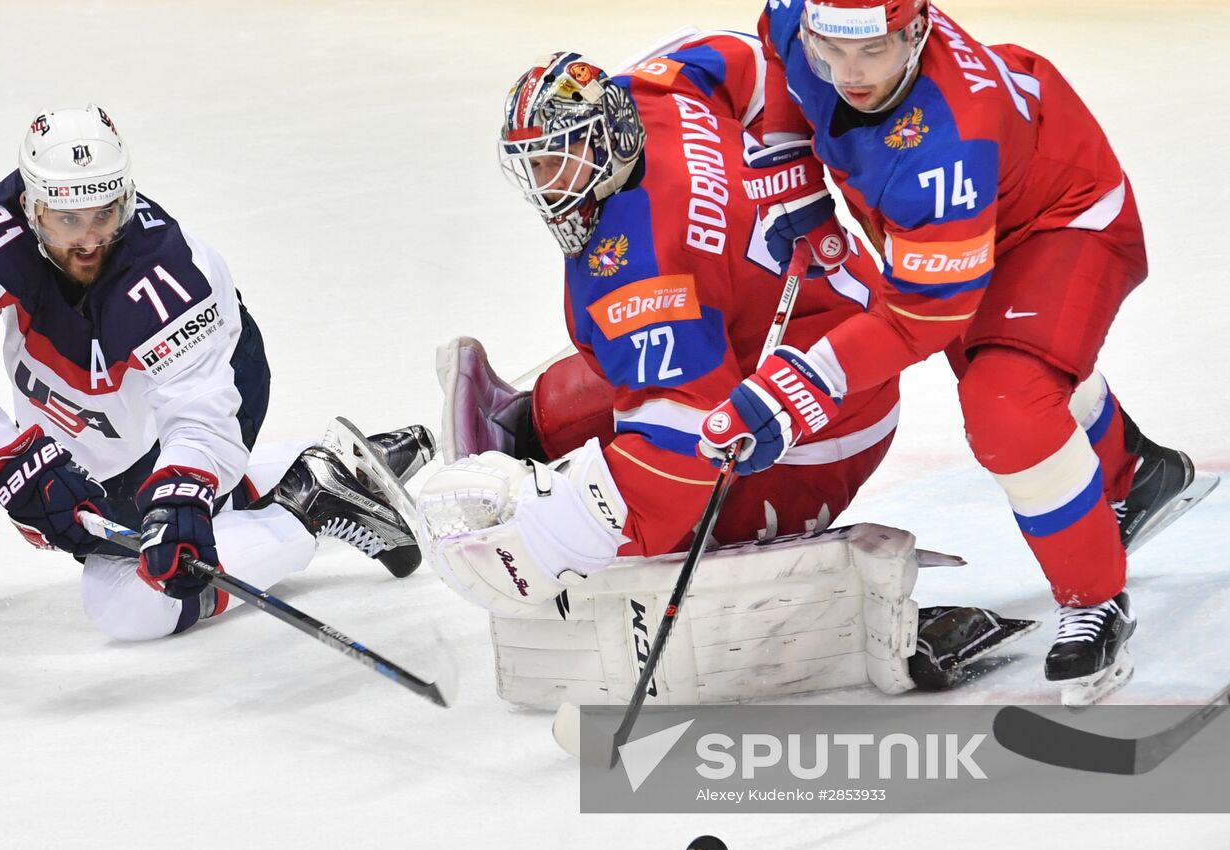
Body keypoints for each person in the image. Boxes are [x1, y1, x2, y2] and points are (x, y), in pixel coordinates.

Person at [417, 33, 1031, 706]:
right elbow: (751, 59)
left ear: (610, 140)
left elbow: (681, 463)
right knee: (629, 367)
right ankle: (525, 425)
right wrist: (791, 165)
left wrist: (545, 544)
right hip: (822, 308)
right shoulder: (654, 90)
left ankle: (859, 616)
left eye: (564, 162)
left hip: (824, 423)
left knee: (663, 530)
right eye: (536, 167)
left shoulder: (644, 268)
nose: (550, 188)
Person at [708, 0, 1211, 702]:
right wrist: (787, 161)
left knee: (1005, 401)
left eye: (873, 52)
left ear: (917, 33)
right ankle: (1134, 471)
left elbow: (921, 317)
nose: (849, 74)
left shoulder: (952, 141)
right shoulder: (806, 18)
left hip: (1061, 216)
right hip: (994, 186)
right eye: (833, 51)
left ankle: (1095, 598)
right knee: (1009, 359)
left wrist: (801, 385)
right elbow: (772, 54)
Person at [0, 105, 430, 642]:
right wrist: (13, 462)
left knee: (128, 605)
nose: (89, 241)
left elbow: (201, 421)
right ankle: (323, 471)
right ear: (30, 206)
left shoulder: (172, 275)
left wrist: (182, 495)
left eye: (105, 215)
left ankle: (305, 507)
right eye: (68, 220)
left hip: (218, 387)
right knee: (65, 505)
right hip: (99, 412)